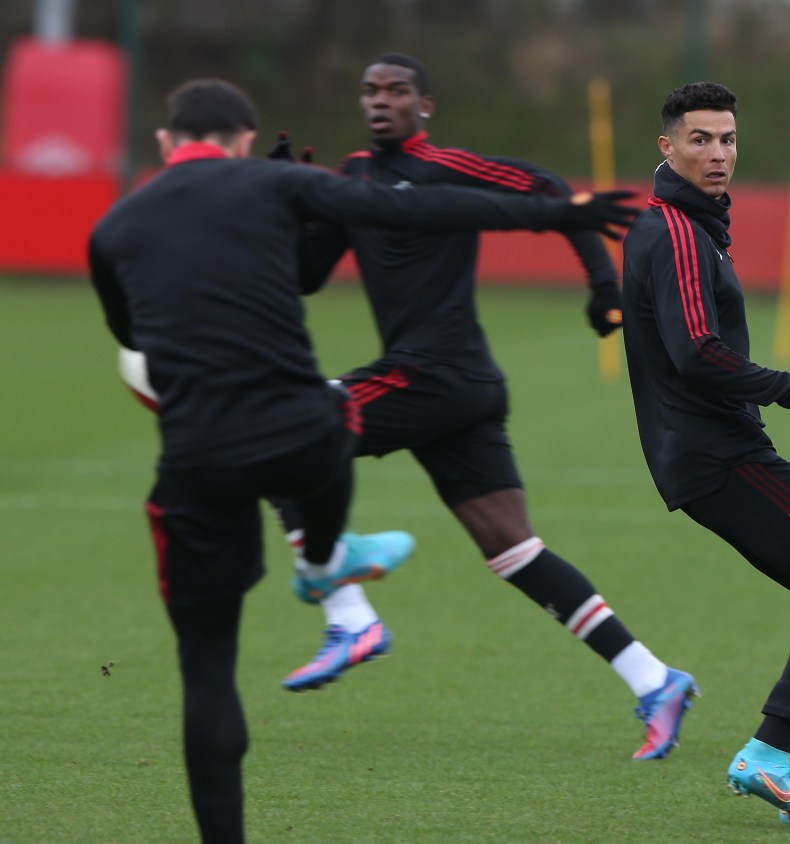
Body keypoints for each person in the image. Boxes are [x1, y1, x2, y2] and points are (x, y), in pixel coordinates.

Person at [87, 78, 640, 844]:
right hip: (300, 435)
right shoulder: (284, 182)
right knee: (331, 418)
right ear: (246, 140)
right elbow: (419, 208)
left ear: (163, 143)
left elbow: (136, 342)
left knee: (207, 672)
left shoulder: (112, 228)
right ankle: (325, 563)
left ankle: (332, 587)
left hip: (196, 462)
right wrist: (556, 216)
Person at [271, 52, 698, 763]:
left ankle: (348, 616)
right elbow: (307, 276)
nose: (382, 102)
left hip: (434, 374)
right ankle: (654, 679)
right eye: (371, 91)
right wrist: (288, 201)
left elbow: (554, 191)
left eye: (398, 91)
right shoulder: (352, 178)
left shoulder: (451, 168)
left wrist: (602, 285)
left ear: (425, 105)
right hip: (454, 386)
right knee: (514, 549)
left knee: (279, 426)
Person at [620, 81, 790, 826]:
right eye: (700, 139)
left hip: (711, 449)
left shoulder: (692, 227)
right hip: (716, 453)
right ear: (667, 147)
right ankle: (768, 753)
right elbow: (698, 353)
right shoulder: (673, 229)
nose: (718, 153)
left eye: (728, 139)